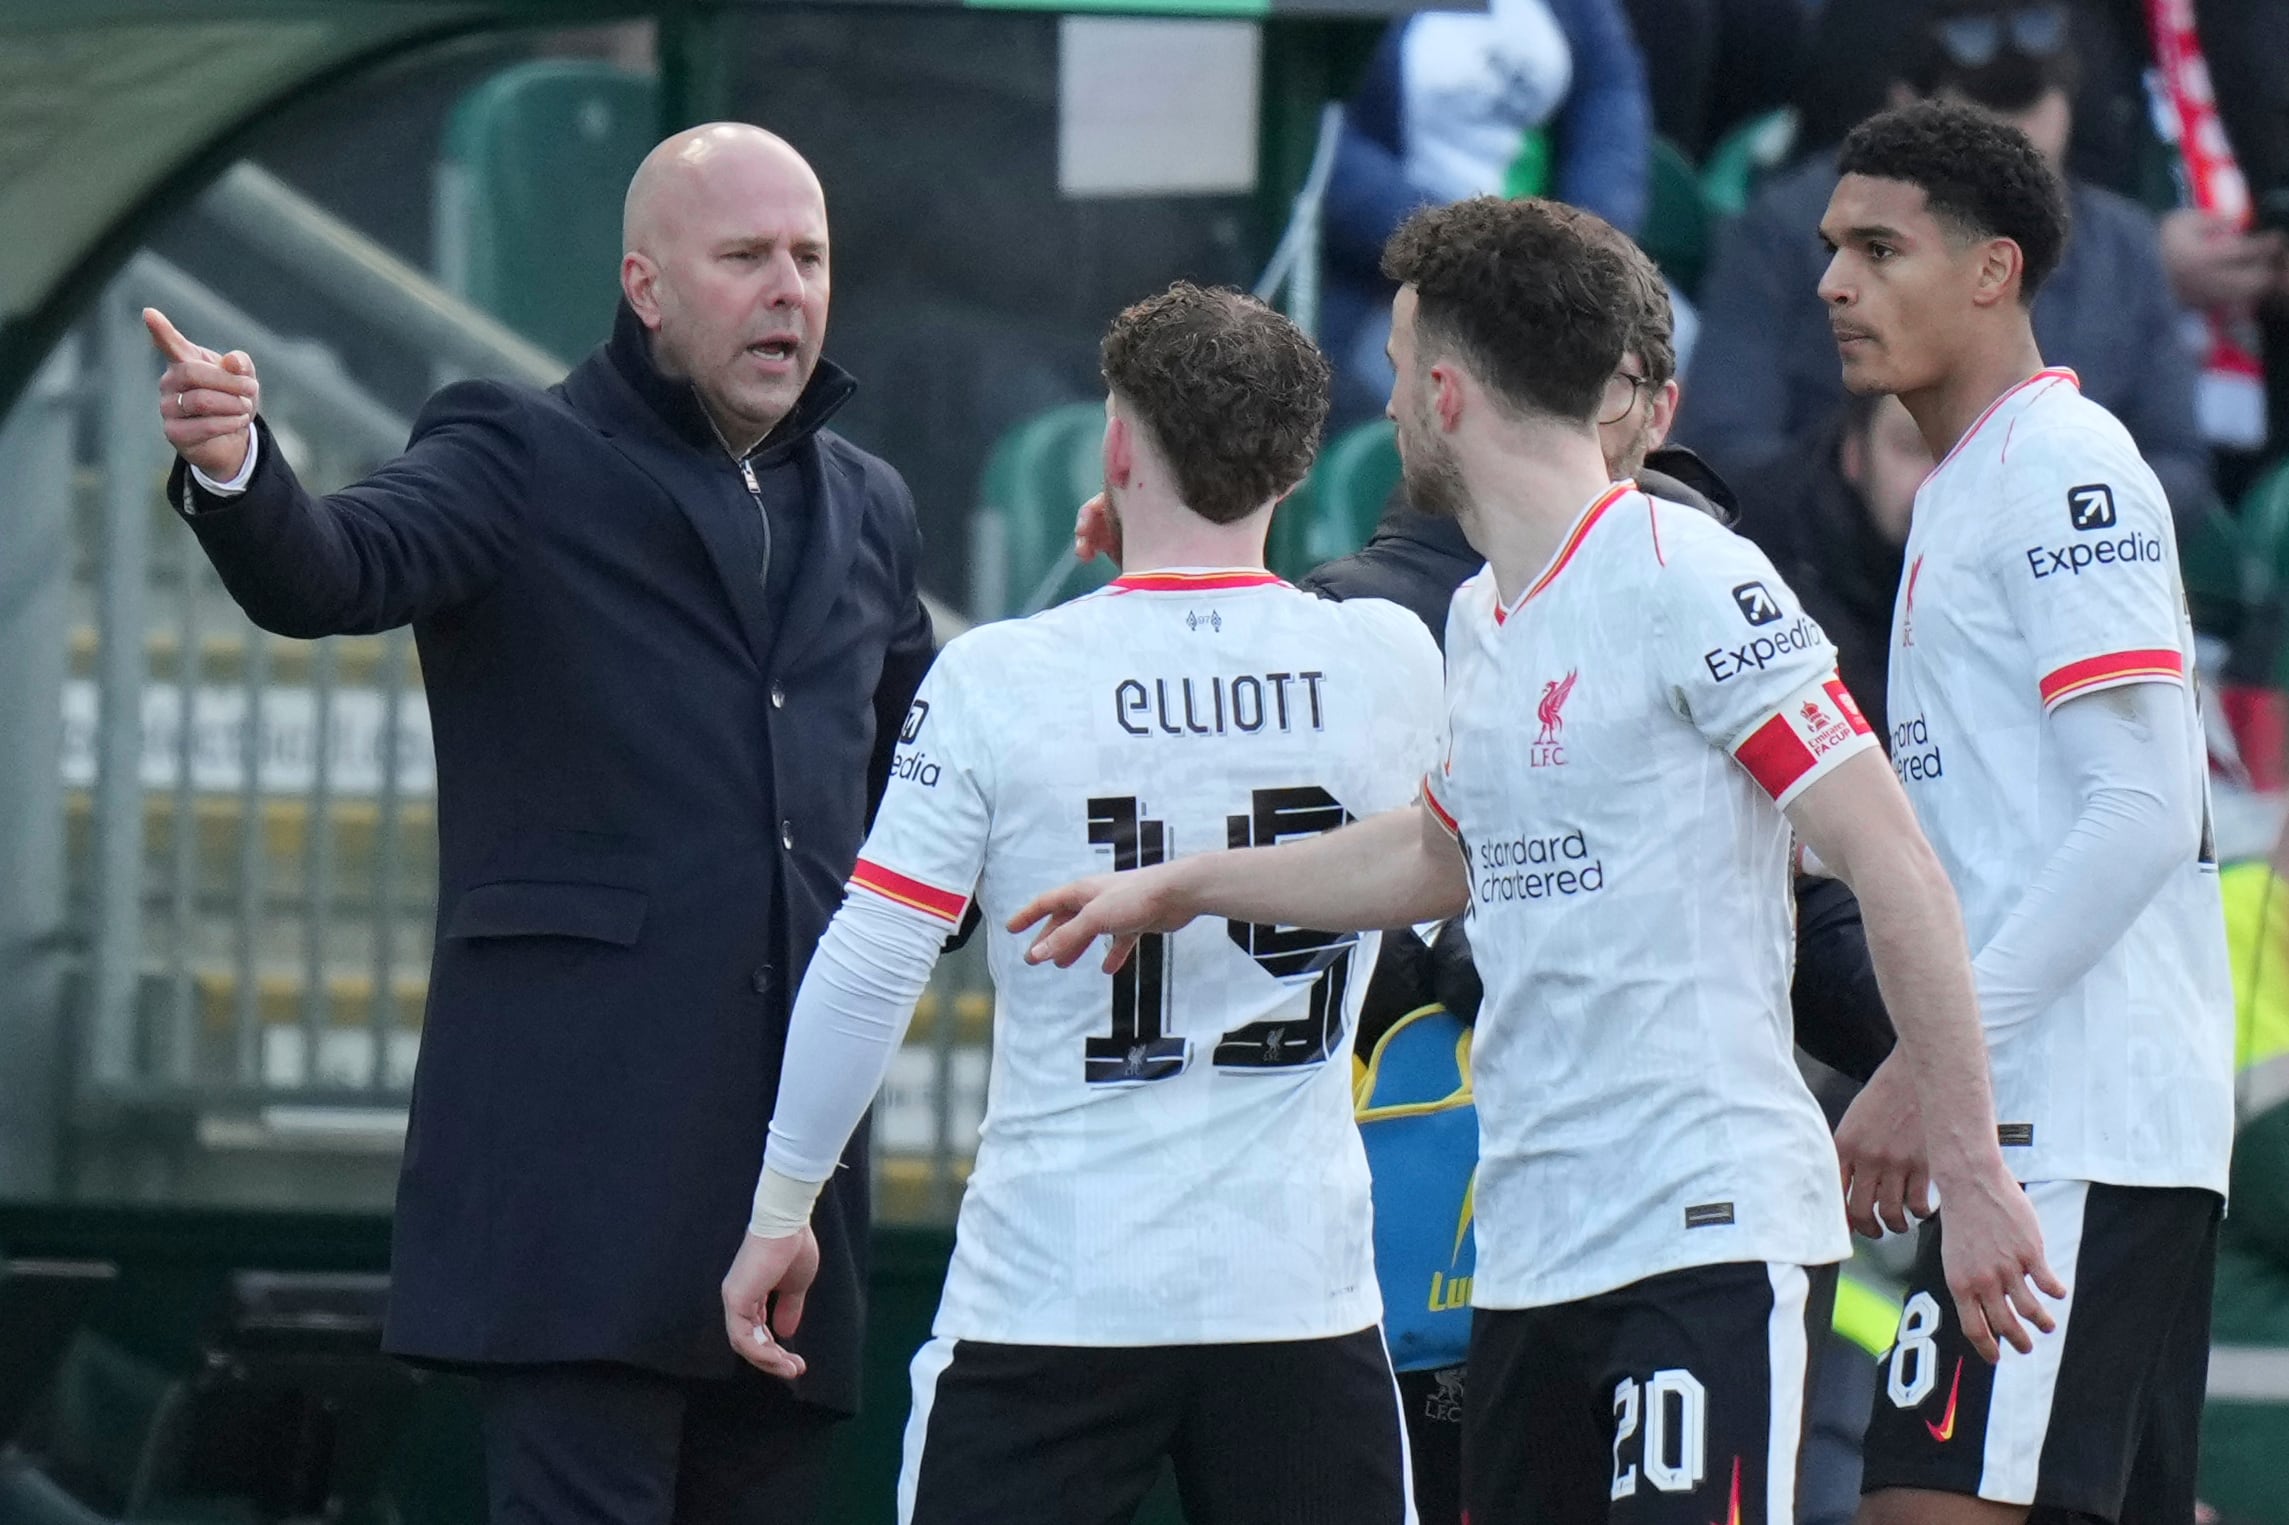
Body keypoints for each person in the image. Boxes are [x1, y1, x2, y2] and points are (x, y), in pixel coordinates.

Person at [1012, 195, 2058, 1524]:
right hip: (1526, 1261)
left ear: (1447, 394)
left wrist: (1973, 1171)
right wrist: (1184, 886)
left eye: (1400, 370)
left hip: (1701, 1236)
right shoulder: (1482, 614)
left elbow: (1887, 853)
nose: (1392, 403)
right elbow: (1437, 852)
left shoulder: (1686, 574)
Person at [147, 123, 934, 1523]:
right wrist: (237, 466)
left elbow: (931, 789)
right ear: (646, 285)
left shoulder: (869, 503)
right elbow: (334, 567)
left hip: (798, 1195)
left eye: (810, 259)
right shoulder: (517, 449)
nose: (789, 290)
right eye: (746, 257)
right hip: (583, 1184)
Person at [720, 282, 1442, 1524]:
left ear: (1114, 448)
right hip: (1297, 1289)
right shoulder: (1389, 658)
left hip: (1056, 1284)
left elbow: (873, 961)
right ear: (1294, 466)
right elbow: (1440, 908)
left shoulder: (1003, 676)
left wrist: (783, 1206)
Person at [1811, 100, 2235, 1523]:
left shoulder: (2064, 463)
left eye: (1880, 250)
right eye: (1831, 250)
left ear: (1995, 269)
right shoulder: (1965, 482)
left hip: (2076, 1121)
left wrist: (1931, 1065)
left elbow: (2143, 805)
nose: (1835, 284)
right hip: (2060, 1122)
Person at [1682, 0, 2216, 532]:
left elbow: (2178, 461)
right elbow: (1723, 445)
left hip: (2055, 553)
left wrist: (2052, 509)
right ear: (1906, 108)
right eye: (1984, 124)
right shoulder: (1790, 231)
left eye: (2033, 108)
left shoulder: (2124, 250)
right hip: (1835, 558)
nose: (2013, 151)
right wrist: (1874, 491)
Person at [1319, 0, 1651, 424]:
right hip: (1388, 279)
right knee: (1473, 403)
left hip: (1553, 274)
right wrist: (1470, 252)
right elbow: (1325, 146)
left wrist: (1583, 251)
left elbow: (1609, 108)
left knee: (1666, 363)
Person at [1734, 393, 1931, 747]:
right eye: (1911, 447)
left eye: (1960, 451)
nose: (1935, 479)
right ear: (1853, 454)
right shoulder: (1772, 572)